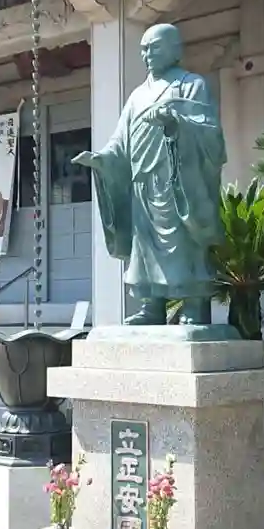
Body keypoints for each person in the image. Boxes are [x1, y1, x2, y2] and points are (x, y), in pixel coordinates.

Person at [73, 23, 225, 325]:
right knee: (144, 249)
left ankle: (194, 306)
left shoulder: (191, 84)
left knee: (184, 243)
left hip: (178, 181)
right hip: (143, 183)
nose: (147, 54)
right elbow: (121, 141)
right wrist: (102, 158)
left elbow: (208, 130)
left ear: (175, 49)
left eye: (155, 47)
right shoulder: (138, 96)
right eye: (143, 49)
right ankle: (152, 306)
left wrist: (174, 120)